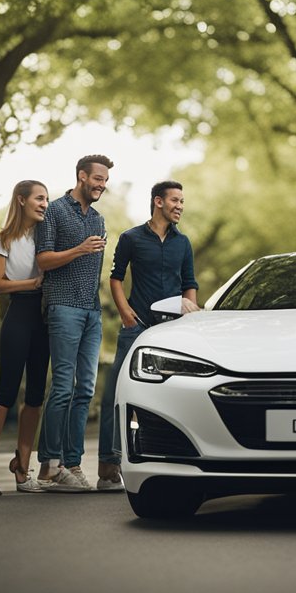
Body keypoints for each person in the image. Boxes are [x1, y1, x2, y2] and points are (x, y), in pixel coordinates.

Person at [96, 181, 199, 491]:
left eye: (182, 200)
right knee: (116, 391)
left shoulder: (184, 243)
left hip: (172, 331)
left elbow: (189, 283)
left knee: (175, 391)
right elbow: (116, 279)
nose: (180, 205)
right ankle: (107, 464)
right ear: (158, 202)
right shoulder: (131, 238)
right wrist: (126, 313)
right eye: (175, 200)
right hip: (137, 326)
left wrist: (189, 313)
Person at [35, 154, 112, 492]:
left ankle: (73, 463)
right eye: (97, 178)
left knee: (86, 391)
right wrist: (80, 249)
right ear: (81, 176)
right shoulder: (54, 211)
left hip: (91, 312)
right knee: (63, 387)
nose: (101, 185)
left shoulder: (98, 219)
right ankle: (49, 466)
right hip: (63, 307)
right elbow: (43, 260)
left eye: (105, 180)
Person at [0, 181, 50, 495]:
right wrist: (33, 283)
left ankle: (22, 466)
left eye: (47, 198)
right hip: (19, 314)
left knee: (35, 396)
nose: (45, 203)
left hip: (44, 319)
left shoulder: (48, 235)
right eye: (39, 198)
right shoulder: (5, 238)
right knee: (6, 392)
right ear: (21, 200)